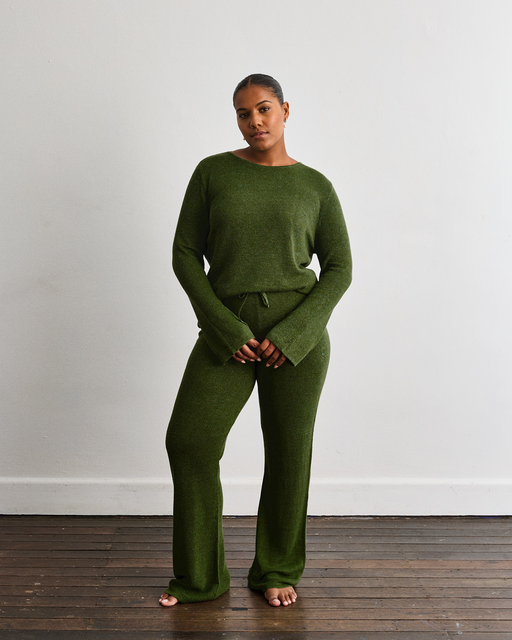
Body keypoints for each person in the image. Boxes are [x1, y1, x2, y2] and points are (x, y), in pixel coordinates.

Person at [159, 73, 352, 608]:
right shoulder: (213, 173)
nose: (254, 121)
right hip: (228, 329)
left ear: (285, 111)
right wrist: (224, 327)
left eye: (264, 109)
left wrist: (294, 334)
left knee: (289, 452)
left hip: (298, 337)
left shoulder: (315, 186)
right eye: (243, 113)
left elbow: (340, 267)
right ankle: (200, 578)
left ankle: (277, 569)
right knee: (190, 442)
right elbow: (184, 255)